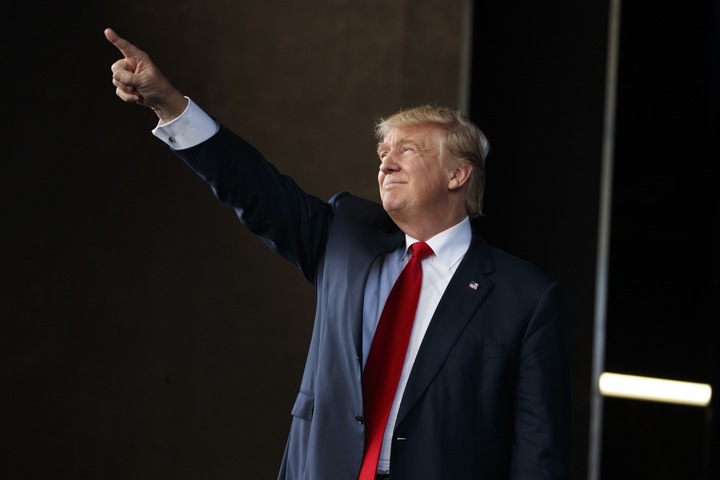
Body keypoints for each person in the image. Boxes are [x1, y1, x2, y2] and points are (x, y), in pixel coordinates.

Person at [105, 28, 572, 480]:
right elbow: (254, 186)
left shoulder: (525, 297)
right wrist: (170, 103)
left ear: (458, 175)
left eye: (407, 150)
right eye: (382, 152)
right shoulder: (345, 235)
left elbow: (539, 452)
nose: (385, 161)